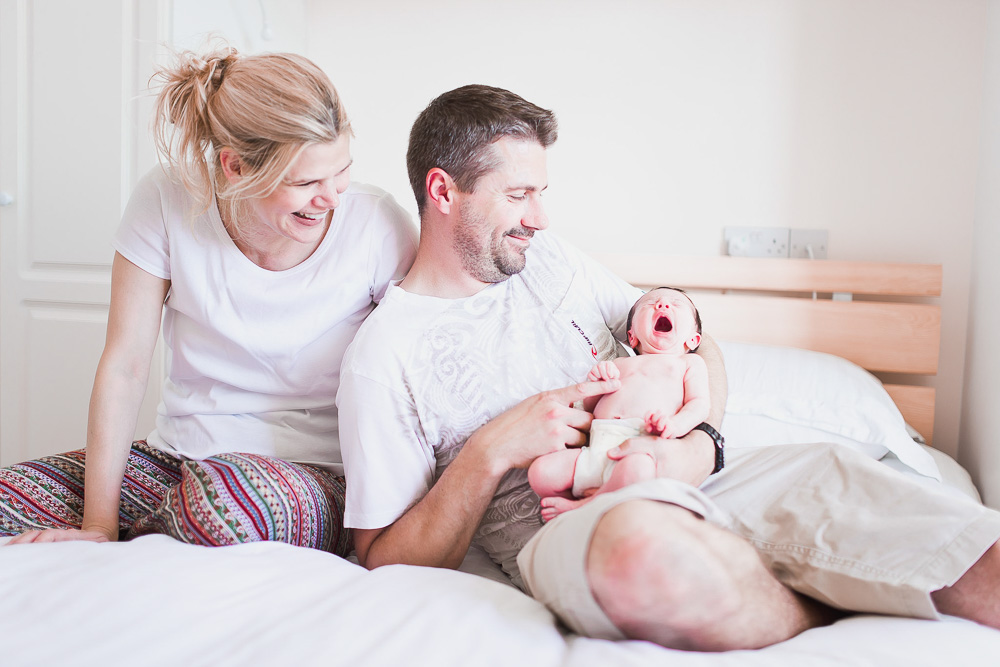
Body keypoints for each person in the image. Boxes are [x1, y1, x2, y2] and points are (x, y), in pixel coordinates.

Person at [337, 83, 1000, 651]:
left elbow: (694, 342)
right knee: (643, 558)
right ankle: (821, 608)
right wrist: (489, 451)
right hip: (581, 519)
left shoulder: (553, 260)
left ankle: (795, 576)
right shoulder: (385, 354)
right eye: (518, 194)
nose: (540, 217)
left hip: (711, 471)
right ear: (441, 190)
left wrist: (701, 443)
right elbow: (381, 557)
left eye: (542, 191)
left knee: (970, 547)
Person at [0, 46, 417, 554]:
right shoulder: (166, 197)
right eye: (305, 182)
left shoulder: (376, 226)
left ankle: (144, 548)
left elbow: (408, 383)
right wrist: (99, 527)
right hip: (176, 457)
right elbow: (126, 366)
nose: (332, 197)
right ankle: (137, 541)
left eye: (341, 172)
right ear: (235, 167)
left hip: (307, 475)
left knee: (221, 513)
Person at [528, 287, 709, 522]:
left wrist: (674, 425)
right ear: (632, 336)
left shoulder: (688, 363)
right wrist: (598, 383)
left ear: (693, 339)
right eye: (650, 303)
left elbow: (699, 404)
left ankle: (585, 505)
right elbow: (592, 407)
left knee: (639, 471)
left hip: (640, 445)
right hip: (596, 449)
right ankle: (602, 495)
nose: (662, 305)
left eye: (676, 304)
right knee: (541, 472)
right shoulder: (620, 364)